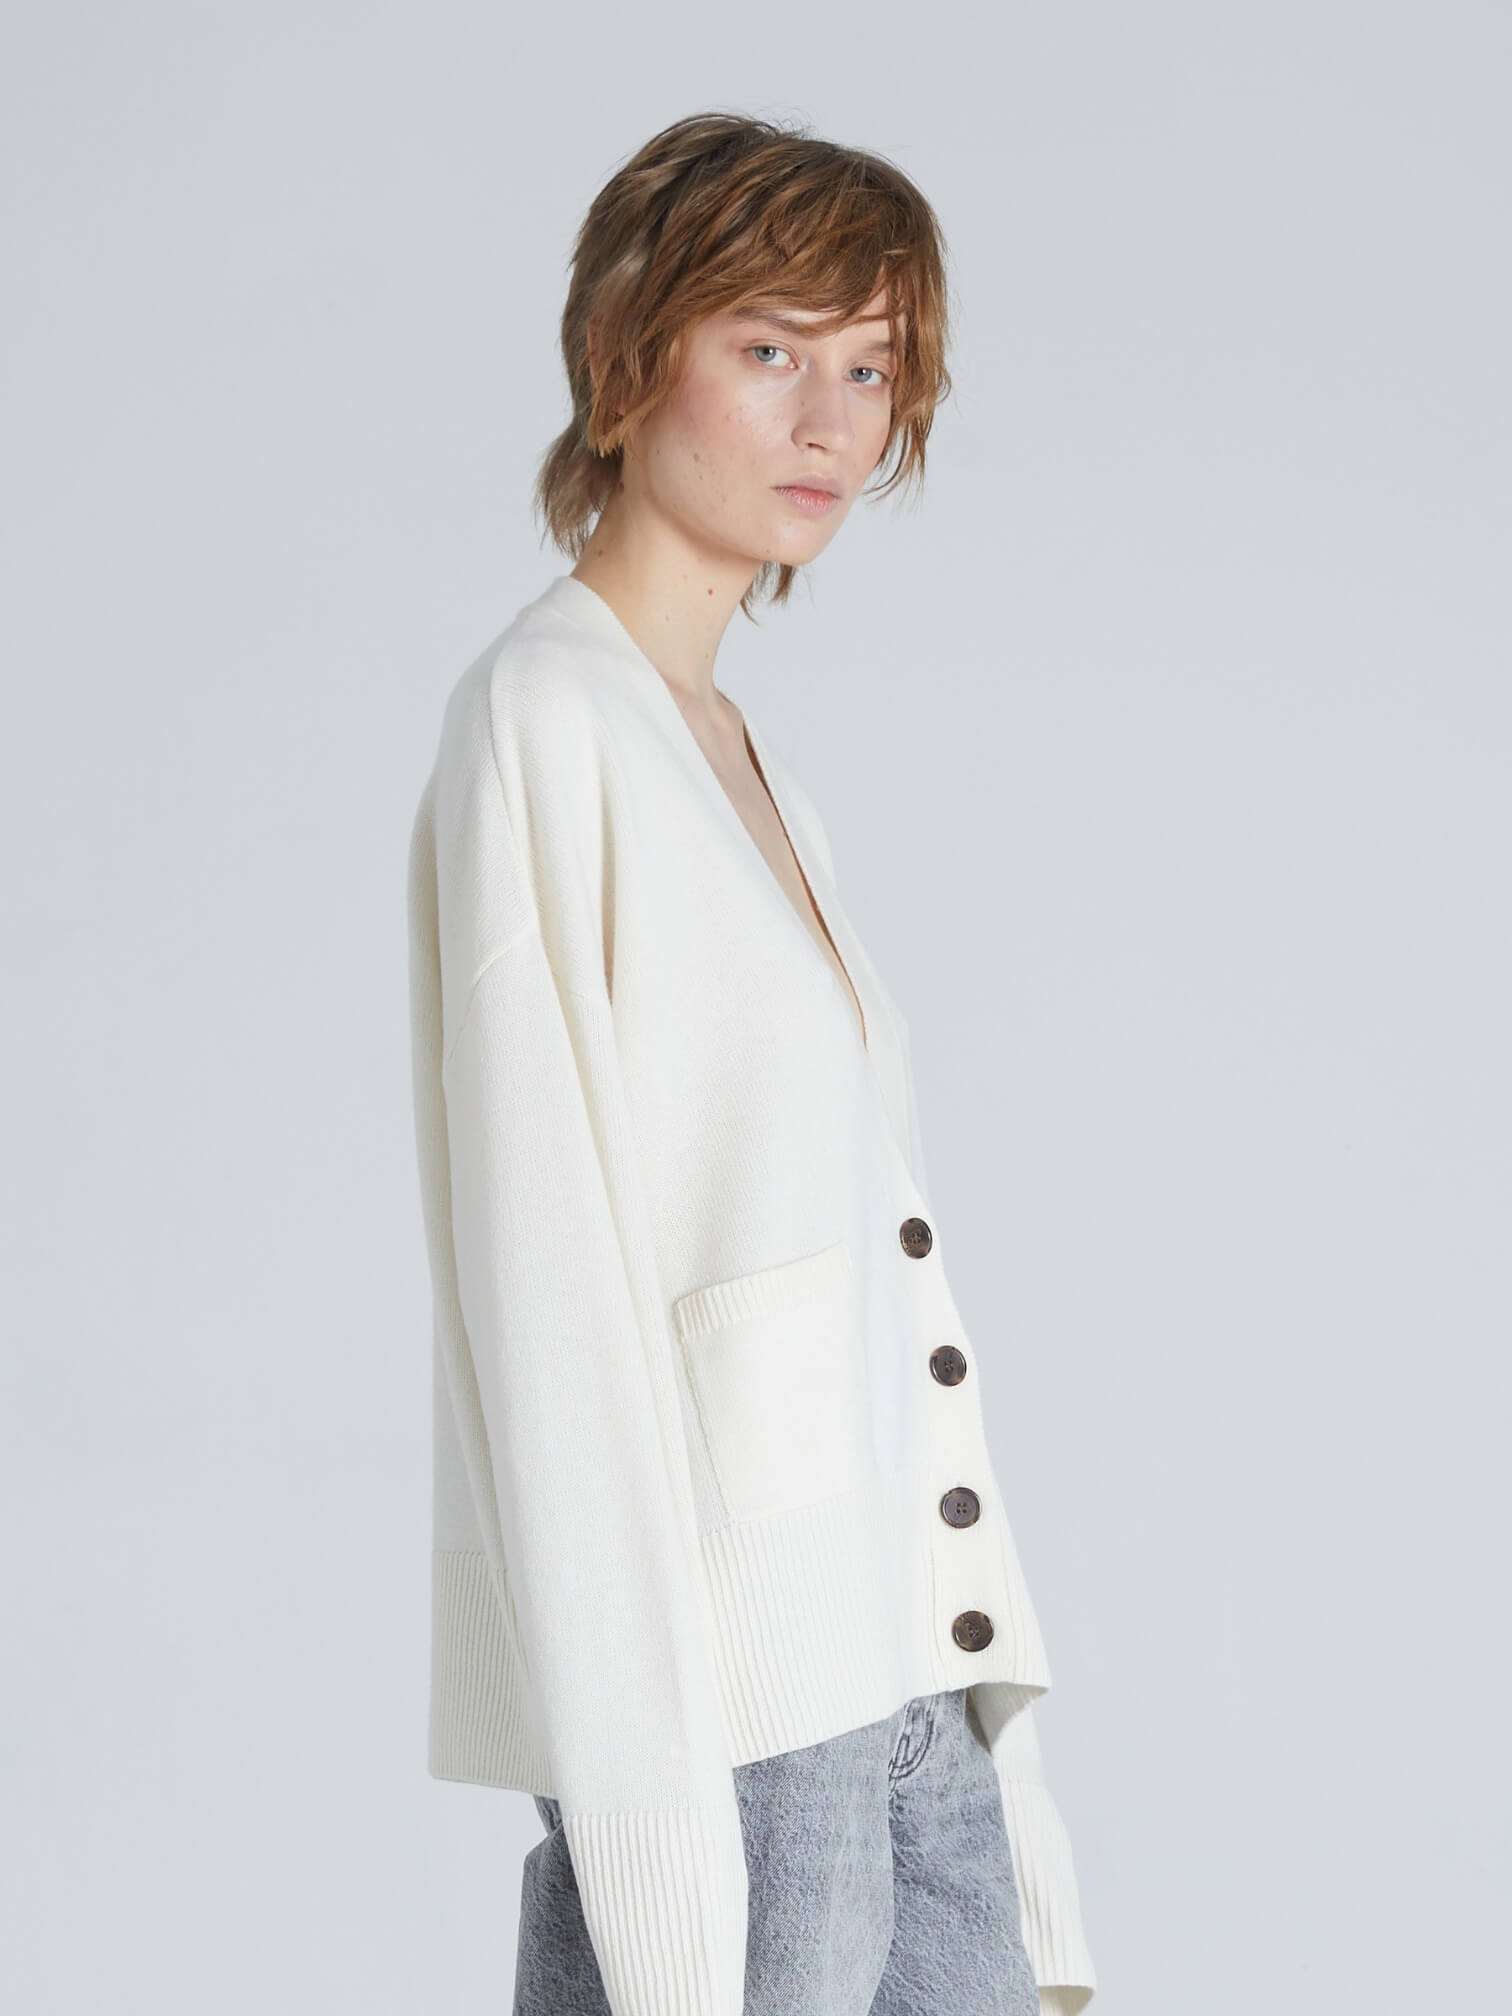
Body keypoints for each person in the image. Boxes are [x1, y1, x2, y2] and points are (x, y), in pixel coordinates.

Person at [406, 110, 1098, 2016]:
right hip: (733, 1716)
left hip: (905, 1677)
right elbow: (551, 1309)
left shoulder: (729, 743)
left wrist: (997, 1758)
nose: (831, 422)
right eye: (771, 347)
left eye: (871, 368)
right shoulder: (545, 723)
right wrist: (647, 1827)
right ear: (625, 354)